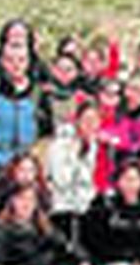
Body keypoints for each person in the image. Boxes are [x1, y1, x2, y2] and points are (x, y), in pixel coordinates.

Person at [45, 101, 112, 246]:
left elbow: (93, 180)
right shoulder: (60, 145)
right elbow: (62, 181)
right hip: (61, 203)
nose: (90, 125)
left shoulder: (94, 146)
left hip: (85, 203)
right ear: (77, 121)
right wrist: (76, 152)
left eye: (95, 120)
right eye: (86, 119)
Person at [0, 184, 83, 265]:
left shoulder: (47, 230)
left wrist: (78, 263)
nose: (26, 205)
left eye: (31, 200)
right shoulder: (0, 234)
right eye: (22, 199)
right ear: (11, 201)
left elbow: (67, 250)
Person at [0, 43, 49, 168]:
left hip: (28, 164)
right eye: (10, 60)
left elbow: (47, 132)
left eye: (21, 60)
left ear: (28, 62)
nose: (16, 65)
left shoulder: (39, 93)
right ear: (2, 62)